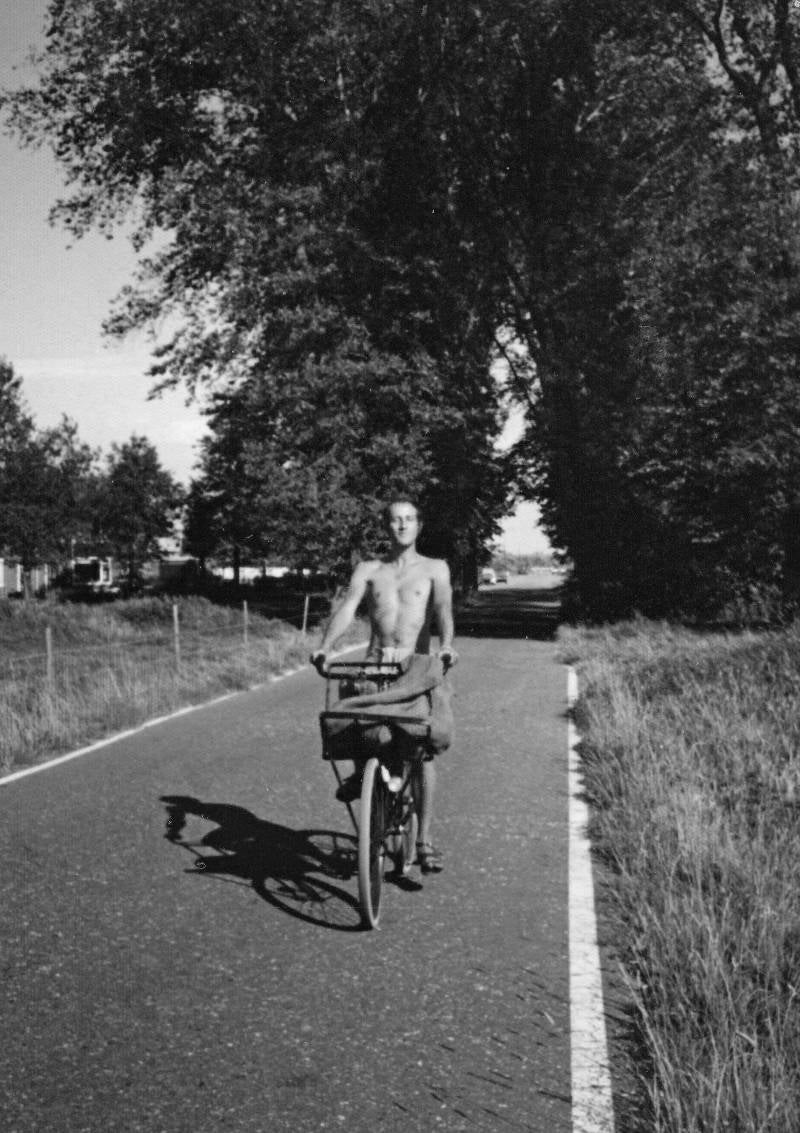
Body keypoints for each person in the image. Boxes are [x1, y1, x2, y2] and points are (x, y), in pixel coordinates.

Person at [311, 498, 457, 873]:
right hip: (374, 664)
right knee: (353, 722)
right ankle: (363, 774)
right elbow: (347, 608)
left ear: (419, 526)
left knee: (421, 750)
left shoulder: (435, 568)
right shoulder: (370, 569)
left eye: (409, 519)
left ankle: (424, 841)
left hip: (414, 669)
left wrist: (446, 646)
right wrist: (326, 647)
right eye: (395, 520)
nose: (402, 525)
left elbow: (443, 610)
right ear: (386, 526)